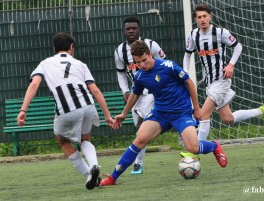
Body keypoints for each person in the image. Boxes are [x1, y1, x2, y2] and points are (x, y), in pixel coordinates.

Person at [99, 40, 228, 186]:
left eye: (144, 60)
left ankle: (214, 146)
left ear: (150, 55)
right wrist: (123, 114)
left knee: (193, 148)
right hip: (160, 114)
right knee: (140, 139)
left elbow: (189, 83)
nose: (141, 65)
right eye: (137, 62)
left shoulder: (168, 66)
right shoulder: (140, 76)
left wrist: (197, 108)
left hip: (181, 113)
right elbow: (135, 94)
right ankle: (113, 177)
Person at [16, 32, 114, 190]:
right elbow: (95, 90)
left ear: (54, 48)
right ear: (71, 47)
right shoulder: (80, 64)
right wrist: (107, 115)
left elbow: (34, 85)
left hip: (67, 109)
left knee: (62, 141)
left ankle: (88, 173)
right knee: (85, 139)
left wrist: (23, 110)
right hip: (88, 105)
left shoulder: (45, 63)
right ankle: (95, 165)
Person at [182, 4, 264, 142]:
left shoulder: (220, 33)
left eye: (205, 16)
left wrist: (231, 64)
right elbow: (187, 55)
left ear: (210, 17)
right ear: (196, 20)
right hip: (210, 83)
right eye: (199, 17)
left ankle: (196, 151)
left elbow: (238, 47)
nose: (202, 19)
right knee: (228, 118)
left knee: (204, 115)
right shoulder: (194, 35)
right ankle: (260, 111)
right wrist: (185, 73)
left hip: (221, 80)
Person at [115, 16, 166, 174]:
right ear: (124, 31)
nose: (131, 31)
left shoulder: (151, 45)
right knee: (140, 129)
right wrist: (125, 90)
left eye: (134, 28)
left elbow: (165, 64)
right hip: (135, 93)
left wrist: (160, 84)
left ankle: (137, 163)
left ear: (139, 30)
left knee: (140, 126)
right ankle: (139, 163)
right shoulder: (119, 51)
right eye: (128, 29)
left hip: (152, 91)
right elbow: (121, 74)